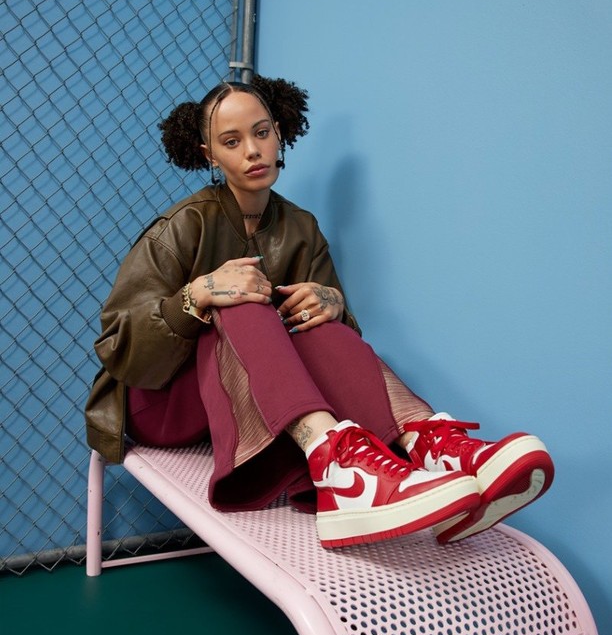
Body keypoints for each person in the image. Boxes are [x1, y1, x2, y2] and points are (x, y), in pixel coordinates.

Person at [85, 75, 554, 549]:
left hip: (250, 401)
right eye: (232, 141)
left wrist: (333, 303)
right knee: (244, 303)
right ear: (210, 155)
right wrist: (200, 293)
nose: (253, 151)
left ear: (279, 133)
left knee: (315, 323)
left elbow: (333, 351)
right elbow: (121, 350)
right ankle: (338, 467)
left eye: (261, 132)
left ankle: (429, 445)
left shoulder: (301, 227)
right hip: (160, 401)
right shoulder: (183, 225)